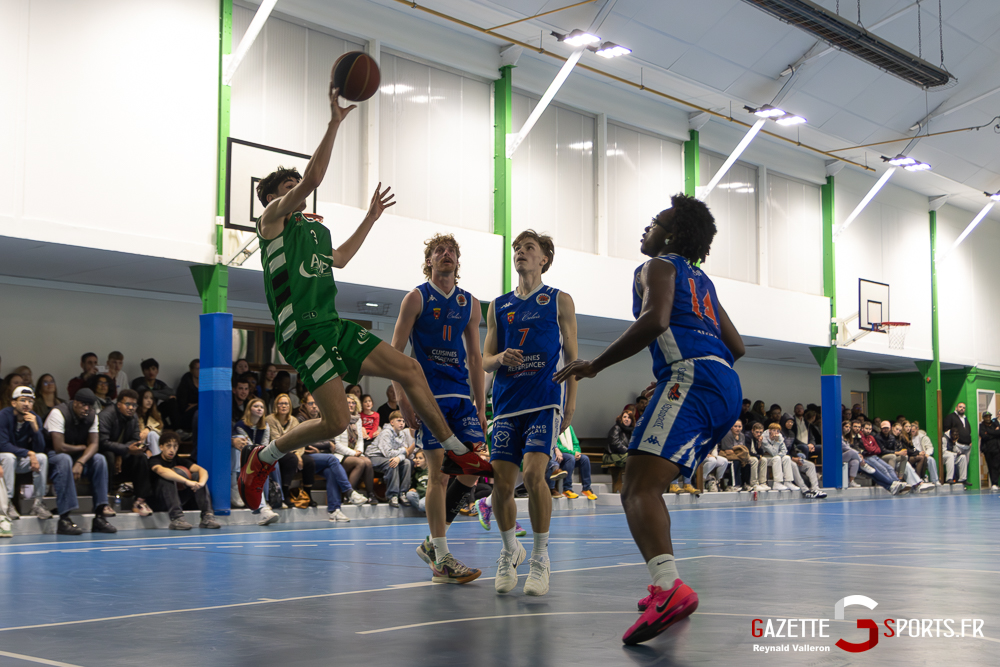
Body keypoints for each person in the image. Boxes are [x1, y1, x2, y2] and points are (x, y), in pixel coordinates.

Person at [237, 85, 485, 519]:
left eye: (296, 185)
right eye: (290, 186)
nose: (299, 190)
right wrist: (334, 123)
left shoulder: (314, 231)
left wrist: (370, 218)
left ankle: (457, 451)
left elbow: (342, 258)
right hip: (303, 333)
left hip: (332, 325)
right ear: (273, 196)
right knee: (335, 422)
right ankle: (264, 457)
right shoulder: (271, 221)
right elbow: (313, 179)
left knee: (409, 369)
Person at [554, 193, 743, 644]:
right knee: (648, 483)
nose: (647, 229)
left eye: (655, 222)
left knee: (637, 486)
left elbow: (656, 320)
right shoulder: (702, 281)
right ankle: (663, 582)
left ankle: (668, 587)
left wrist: (596, 364)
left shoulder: (656, 267)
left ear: (672, 234)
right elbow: (736, 346)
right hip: (726, 385)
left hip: (691, 377)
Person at [389, 232, 489, 584]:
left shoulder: (470, 303)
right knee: (439, 475)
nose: (446, 254)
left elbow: (475, 357)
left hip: (461, 399)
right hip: (428, 398)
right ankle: (441, 559)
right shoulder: (416, 298)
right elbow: (395, 354)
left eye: (451, 251)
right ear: (429, 260)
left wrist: (481, 405)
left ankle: (433, 544)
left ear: (458, 261)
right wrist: (403, 399)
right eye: (438, 250)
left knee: (472, 470)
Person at [485, 229, 578, 598]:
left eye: (529, 248)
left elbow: (572, 358)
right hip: (507, 403)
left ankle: (540, 557)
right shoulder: (498, 306)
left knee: (535, 473)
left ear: (544, 259)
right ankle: (510, 550)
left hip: (544, 399)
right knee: (501, 485)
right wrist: (499, 358)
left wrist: (570, 403)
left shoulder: (559, 300)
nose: (521, 253)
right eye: (517, 249)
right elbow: (484, 359)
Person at [44, 388, 116, 533]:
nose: (87, 408)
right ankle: (64, 519)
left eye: (89, 405)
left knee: (100, 460)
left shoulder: (92, 416)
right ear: (75, 402)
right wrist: (81, 448)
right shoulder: (58, 413)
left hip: (76, 458)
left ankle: (100, 516)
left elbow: (94, 444)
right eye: (83, 404)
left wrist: (80, 462)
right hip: (52, 457)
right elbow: (59, 447)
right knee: (64, 460)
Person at [0, 387, 56, 524]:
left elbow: (40, 448)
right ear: (14, 403)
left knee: (42, 458)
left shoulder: (34, 418)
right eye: (23, 400)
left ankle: (38, 503)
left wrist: (35, 429)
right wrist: (29, 453)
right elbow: (3, 445)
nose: (27, 404)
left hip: (18, 460)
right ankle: (7, 504)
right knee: (9, 457)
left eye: (30, 401)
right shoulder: (4, 415)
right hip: (3, 459)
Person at [97, 389, 154, 517]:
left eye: (134, 405)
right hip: (104, 454)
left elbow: (135, 439)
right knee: (108, 456)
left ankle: (140, 501)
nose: (131, 408)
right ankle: (105, 501)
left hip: (122, 455)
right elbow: (102, 442)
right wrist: (125, 450)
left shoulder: (134, 417)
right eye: (127, 404)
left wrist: (122, 453)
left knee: (141, 457)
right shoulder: (106, 415)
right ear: (118, 404)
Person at [148, 431, 220, 530]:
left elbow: (202, 471)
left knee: (196, 475)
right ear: (161, 447)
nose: (172, 450)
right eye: (168, 446)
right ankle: (177, 519)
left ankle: (207, 516)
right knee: (167, 478)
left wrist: (200, 484)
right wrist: (186, 481)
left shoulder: (179, 460)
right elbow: (162, 471)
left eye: (175, 446)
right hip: (158, 500)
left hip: (178, 498)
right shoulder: (154, 460)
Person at [233, 398, 278, 524]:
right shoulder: (240, 425)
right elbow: (246, 445)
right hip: (246, 456)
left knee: (274, 462)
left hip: (257, 455)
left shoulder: (265, 426)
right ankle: (261, 507)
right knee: (237, 454)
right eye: (256, 406)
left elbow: (264, 445)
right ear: (249, 409)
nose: (259, 409)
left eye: (262, 407)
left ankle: (274, 499)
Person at [332, 394, 376, 503]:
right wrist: (353, 453)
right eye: (348, 403)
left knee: (368, 462)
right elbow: (336, 445)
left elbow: (360, 439)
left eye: (353, 403)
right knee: (360, 463)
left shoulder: (357, 419)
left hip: (355, 453)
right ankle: (348, 495)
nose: (351, 405)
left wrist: (359, 450)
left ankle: (371, 494)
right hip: (341, 455)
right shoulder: (337, 418)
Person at [365, 411, 415, 507]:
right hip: (374, 456)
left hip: (390, 457)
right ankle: (392, 495)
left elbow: (406, 453)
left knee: (407, 463)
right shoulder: (386, 433)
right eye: (399, 421)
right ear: (392, 422)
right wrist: (401, 452)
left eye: (403, 421)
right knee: (392, 463)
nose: (402, 423)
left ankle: (402, 493)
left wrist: (399, 458)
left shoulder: (402, 434)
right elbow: (388, 453)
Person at [552, 425, 596, 499]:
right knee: (570, 458)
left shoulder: (569, 427)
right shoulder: (554, 426)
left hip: (571, 453)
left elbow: (575, 443)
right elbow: (555, 444)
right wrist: (572, 453)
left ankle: (586, 488)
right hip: (559, 455)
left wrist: (577, 452)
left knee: (585, 459)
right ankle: (567, 489)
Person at [605, 407, 633, 493]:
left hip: (625, 455)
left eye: (629, 418)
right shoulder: (616, 428)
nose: (627, 419)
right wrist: (628, 452)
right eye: (624, 417)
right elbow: (615, 444)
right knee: (635, 461)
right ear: (621, 418)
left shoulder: (632, 430)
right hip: (613, 455)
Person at [136, 388, 164, 456]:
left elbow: (159, 432)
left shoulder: (156, 416)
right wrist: (146, 449)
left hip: (155, 445)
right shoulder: (135, 416)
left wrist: (148, 429)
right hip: (140, 446)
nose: (149, 401)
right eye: (146, 398)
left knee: (152, 434)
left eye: (151, 398)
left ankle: (157, 460)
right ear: (140, 399)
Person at [175, 359, 199, 433]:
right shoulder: (186, 381)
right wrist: (198, 405)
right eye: (197, 369)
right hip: (186, 414)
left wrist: (195, 404)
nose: (200, 371)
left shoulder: (205, 381)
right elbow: (183, 406)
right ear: (191, 370)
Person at [980, 412, 1000, 490]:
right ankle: (994, 484)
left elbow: (999, 433)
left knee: (997, 466)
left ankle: (996, 483)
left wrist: (988, 432)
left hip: (997, 449)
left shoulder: (995, 424)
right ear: (983, 418)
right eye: (986, 417)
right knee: (991, 467)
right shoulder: (981, 425)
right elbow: (984, 436)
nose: (988, 418)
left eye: (989, 416)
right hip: (987, 450)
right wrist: (994, 433)